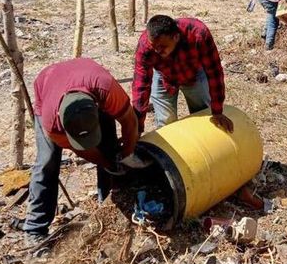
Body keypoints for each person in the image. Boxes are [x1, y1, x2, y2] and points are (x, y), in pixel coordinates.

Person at [22, 58, 141, 240]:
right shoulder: (51, 123)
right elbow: (82, 150)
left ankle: (108, 206)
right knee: (47, 162)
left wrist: (126, 156)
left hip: (91, 86)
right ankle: (34, 229)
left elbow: (130, 122)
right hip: (48, 84)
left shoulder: (106, 89)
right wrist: (108, 164)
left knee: (109, 148)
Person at [132, 15, 234, 133]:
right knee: (166, 125)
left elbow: (214, 72)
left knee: (203, 117)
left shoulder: (198, 34)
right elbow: (141, 86)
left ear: (176, 37)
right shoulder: (145, 45)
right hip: (163, 77)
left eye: (162, 47)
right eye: (153, 46)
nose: (157, 51)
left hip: (195, 74)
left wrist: (217, 111)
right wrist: (137, 128)